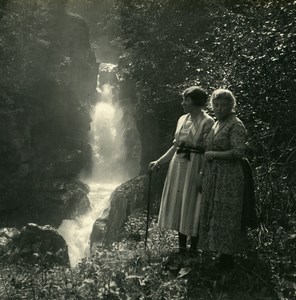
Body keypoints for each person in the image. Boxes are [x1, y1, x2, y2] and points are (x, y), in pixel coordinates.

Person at [149, 86, 214, 255]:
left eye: (186, 100)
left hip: (196, 165)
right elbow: (176, 146)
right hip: (178, 165)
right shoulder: (182, 119)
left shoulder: (207, 122)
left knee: (193, 203)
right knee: (180, 202)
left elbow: (208, 151)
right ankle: (181, 247)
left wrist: (202, 174)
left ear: (196, 102)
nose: (183, 103)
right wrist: (160, 161)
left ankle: (194, 249)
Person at [198, 88, 248, 271]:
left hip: (229, 177)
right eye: (216, 105)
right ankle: (218, 255)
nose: (219, 108)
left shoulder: (236, 125)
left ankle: (227, 260)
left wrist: (213, 154)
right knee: (214, 211)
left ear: (231, 106)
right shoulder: (217, 123)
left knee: (227, 214)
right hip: (214, 174)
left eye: (223, 105)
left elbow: (238, 152)